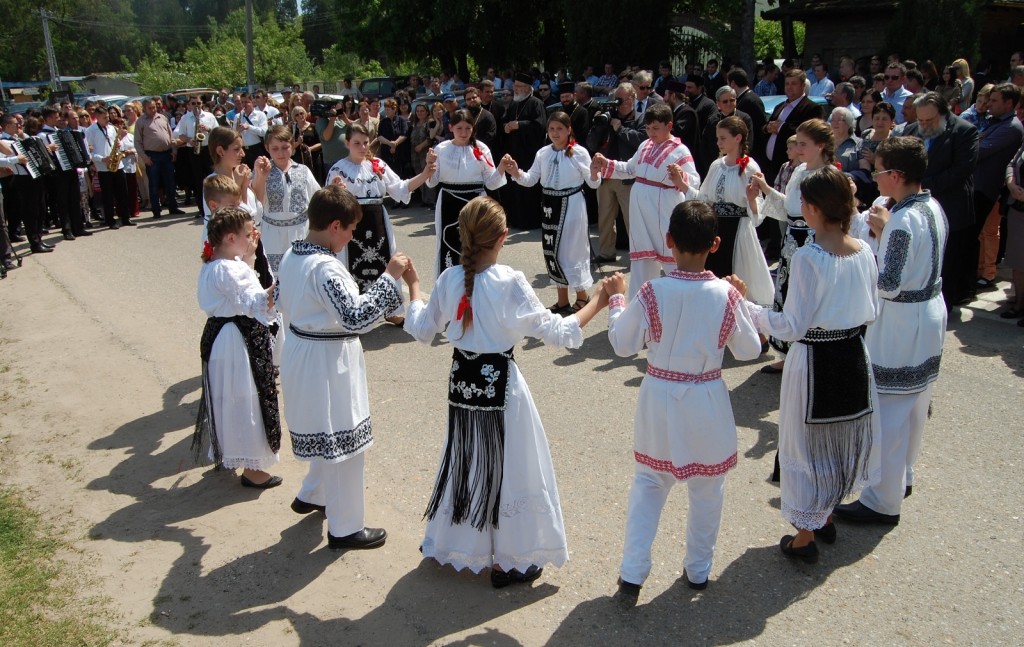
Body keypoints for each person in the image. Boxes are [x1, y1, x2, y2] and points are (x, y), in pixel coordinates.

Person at [404, 195, 609, 587]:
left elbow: (422, 329)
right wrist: (599, 299)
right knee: (511, 467)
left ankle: (456, 541)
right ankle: (509, 560)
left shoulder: (449, 279)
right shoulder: (508, 282)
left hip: (463, 386)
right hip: (503, 386)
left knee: (468, 457)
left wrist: (414, 285)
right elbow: (559, 332)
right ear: (503, 237)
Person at [608, 201, 762, 603]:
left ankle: (632, 574)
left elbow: (623, 344)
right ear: (715, 244)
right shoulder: (726, 295)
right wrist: (740, 302)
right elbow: (748, 350)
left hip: (659, 395)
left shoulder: (652, 290)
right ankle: (698, 571)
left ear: (669, 241)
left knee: (648, 483)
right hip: (706, 396)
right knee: (708, 489)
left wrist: (615, 302)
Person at [745, 165, 880, 563]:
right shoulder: (864, 250)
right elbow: (871, 310)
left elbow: (791, 325)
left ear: (815, 208)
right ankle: (825, 514)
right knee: (838, 438)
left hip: (815, 358)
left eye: (802, 199)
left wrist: (748, 309)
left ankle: (806, 534)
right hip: (854, 355)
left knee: (807, 444)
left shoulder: (809, 257)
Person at [276, 185, 414, 550]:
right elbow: (355, 317)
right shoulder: (325, 268)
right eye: (351, 229)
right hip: (325, 362)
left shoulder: (293, 254)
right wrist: (390, 276)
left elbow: (278, 299)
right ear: (335, 225)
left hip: (304, 352)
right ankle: (345, 526)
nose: (353, 235)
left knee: (326, 432)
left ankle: (314, 493)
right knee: (345, 442)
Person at [834, 137, 947, 526]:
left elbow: (889, 282)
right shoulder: (933, 206)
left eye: (879, 170)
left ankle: (883, 499)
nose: (874, 176)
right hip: (929, 312)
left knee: (890, 409)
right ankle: (904, 474)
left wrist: (879, 235)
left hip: (902, 322)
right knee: (916, 401)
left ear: (896, 175)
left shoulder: (901, 220)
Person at [193, 206, 282, 488]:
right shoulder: (231, 269)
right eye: (247, 234)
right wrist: (283, 284)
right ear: (230, 238)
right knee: (246, 399)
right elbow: (257, 302)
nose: (252, 237)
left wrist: (250, 257)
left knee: (227, 397)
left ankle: (231, 452)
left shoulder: (213, 265)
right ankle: (253, 469)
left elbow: (240, 293)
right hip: (236, 340)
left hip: (219, 337)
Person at [747, 119, 836, 377]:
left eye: (803, 144)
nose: (797, 148)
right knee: (787, 295)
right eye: (797, 143)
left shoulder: (828, 176)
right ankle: (788, 355)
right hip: (793, 240)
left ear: (821, 146)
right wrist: (765, 190)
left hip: (815, 241)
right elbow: (789, 208)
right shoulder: (799, 171)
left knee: (810, 297)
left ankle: (811, 356)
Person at [326, 124, 435, 324]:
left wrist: (425, 174)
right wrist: (336, 190)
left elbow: (400, 188)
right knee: (351, 264)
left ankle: (390, 311)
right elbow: (328, 201)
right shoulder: (338, 168)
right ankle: (353, 309)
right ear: (347, 143)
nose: (362, 147)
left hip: (377, 220)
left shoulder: (377, 164)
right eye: (357, 143)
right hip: (352, 221)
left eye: (365, 143)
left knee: (384, 260)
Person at [592, 103, 701, 300]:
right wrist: (607, 164)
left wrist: (680, 178)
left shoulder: (680, 150)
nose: (651, 133)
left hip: (664, 209)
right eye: (648, 128)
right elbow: (630, 168)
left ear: (669, 126)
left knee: (672, 256)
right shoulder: (644, 145)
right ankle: (640, 308)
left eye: (656, 128)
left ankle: (682, 302)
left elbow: (694, 181)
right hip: (641, 210)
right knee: (642, 259)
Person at [504, 112, 600, 314]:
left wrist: (594, 171)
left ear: (569, 130)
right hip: (549, 205)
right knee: (553, 251)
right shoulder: (543, 153)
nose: (555, 133)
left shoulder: (579, 152)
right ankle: (562, 299)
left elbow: (593, 182)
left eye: (560, 129)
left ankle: (582, 296)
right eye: (552, 129)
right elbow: (531, 179)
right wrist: (515, 172)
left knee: (573, 250)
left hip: (572, 205)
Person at [898, 92, 979, 312]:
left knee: (948, 262)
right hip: (914, 210)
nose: (924, 125)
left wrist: (919, 185)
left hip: (949, 208)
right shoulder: (911, 130)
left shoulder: (964, 131)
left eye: (929, 120)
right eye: (921, 120)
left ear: (943, 114)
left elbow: (960, 171)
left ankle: (944, 307)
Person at [691, 117, 773, 305]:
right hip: (716, 227)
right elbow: (704, 196)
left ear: (738, 138)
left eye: (723, 138)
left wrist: (751, 199)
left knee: (737, 275)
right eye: (717, 138)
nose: (718, 143)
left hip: (739, 229)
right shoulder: (716, 165)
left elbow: (758, 210)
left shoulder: (749, 166)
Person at [425, 109, 507, 277]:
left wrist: (501, 169)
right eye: (459, 128)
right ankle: (449, 285)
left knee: (477, 242)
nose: (463, 132)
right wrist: (429, 167)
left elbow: (491, 182)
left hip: (475, 201)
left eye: (468, 128)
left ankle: (477, 283)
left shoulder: (481, 148)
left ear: (473, 128)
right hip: (449, 200)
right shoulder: (441, 149)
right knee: (449, 241)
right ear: (451, 127)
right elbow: (431, 182)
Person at [586, 83, 647, 263]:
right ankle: (606, 252)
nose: (621, 104)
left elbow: (642, 143)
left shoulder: (640, 119)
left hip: (627, 177)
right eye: (617, 100)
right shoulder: (606, 118)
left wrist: (620, 129)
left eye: (625, 99)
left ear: (632, 99)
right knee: (604, 217)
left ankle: (638, 255)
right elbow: (590, 143)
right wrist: (598, 125)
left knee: (632, 219)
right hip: (605, 176)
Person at [249, 125, 321, 274]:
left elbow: (317, 198)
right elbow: (257, 201)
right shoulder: (262, 171)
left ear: (292, 146)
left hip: (301, 231)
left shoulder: (303, 170)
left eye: (285, 147)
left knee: (302, 273)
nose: (280, 153)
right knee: (275, 276)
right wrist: (261, 175)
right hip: (273, 234)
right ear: (267, 148)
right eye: (275, 148)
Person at [500, 74, 547, 228]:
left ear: (528, 88)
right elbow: (505, 120)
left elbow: (540, 126)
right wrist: (506, 126)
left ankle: (531, 221)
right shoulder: (514, 104)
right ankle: (515, 219)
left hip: (530, 154)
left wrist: (520, 125)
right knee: (514, 188)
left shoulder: (536, 103)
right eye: (515, 86)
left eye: (519, 86)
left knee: (529, 189)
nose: (516, 89)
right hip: (514, 152)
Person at [85, 107, 135, 230]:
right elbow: (89, 152)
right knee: (108, 195)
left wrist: (120, 144)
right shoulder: (90, 131)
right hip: (103, 167)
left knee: (123, 192)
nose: (108, 119)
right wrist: (102, 158)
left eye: (108, 117)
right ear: (97, 117)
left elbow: (119, 144)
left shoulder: (112, 128)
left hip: (118, 165)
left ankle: (125, 218)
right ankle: (110, 220)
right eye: (104, 118)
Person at [135, 98, 183, 219]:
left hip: (167, 154)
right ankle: (156, 210)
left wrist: (174, 150)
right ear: (144, 108)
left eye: (154, 107)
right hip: (152, 156)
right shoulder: (141, 122)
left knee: (170, 182)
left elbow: (170, 135)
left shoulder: (162, 117)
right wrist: (145, 158)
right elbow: (137, 142)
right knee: (154, 184)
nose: (153, 110)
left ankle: (173, 207)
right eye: (150, 108)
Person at [1000, 140, 1024, 324]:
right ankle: (1019, 303)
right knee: (1018, 261)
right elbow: (1011, 163)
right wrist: (1011, 184)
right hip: (1018, 208)